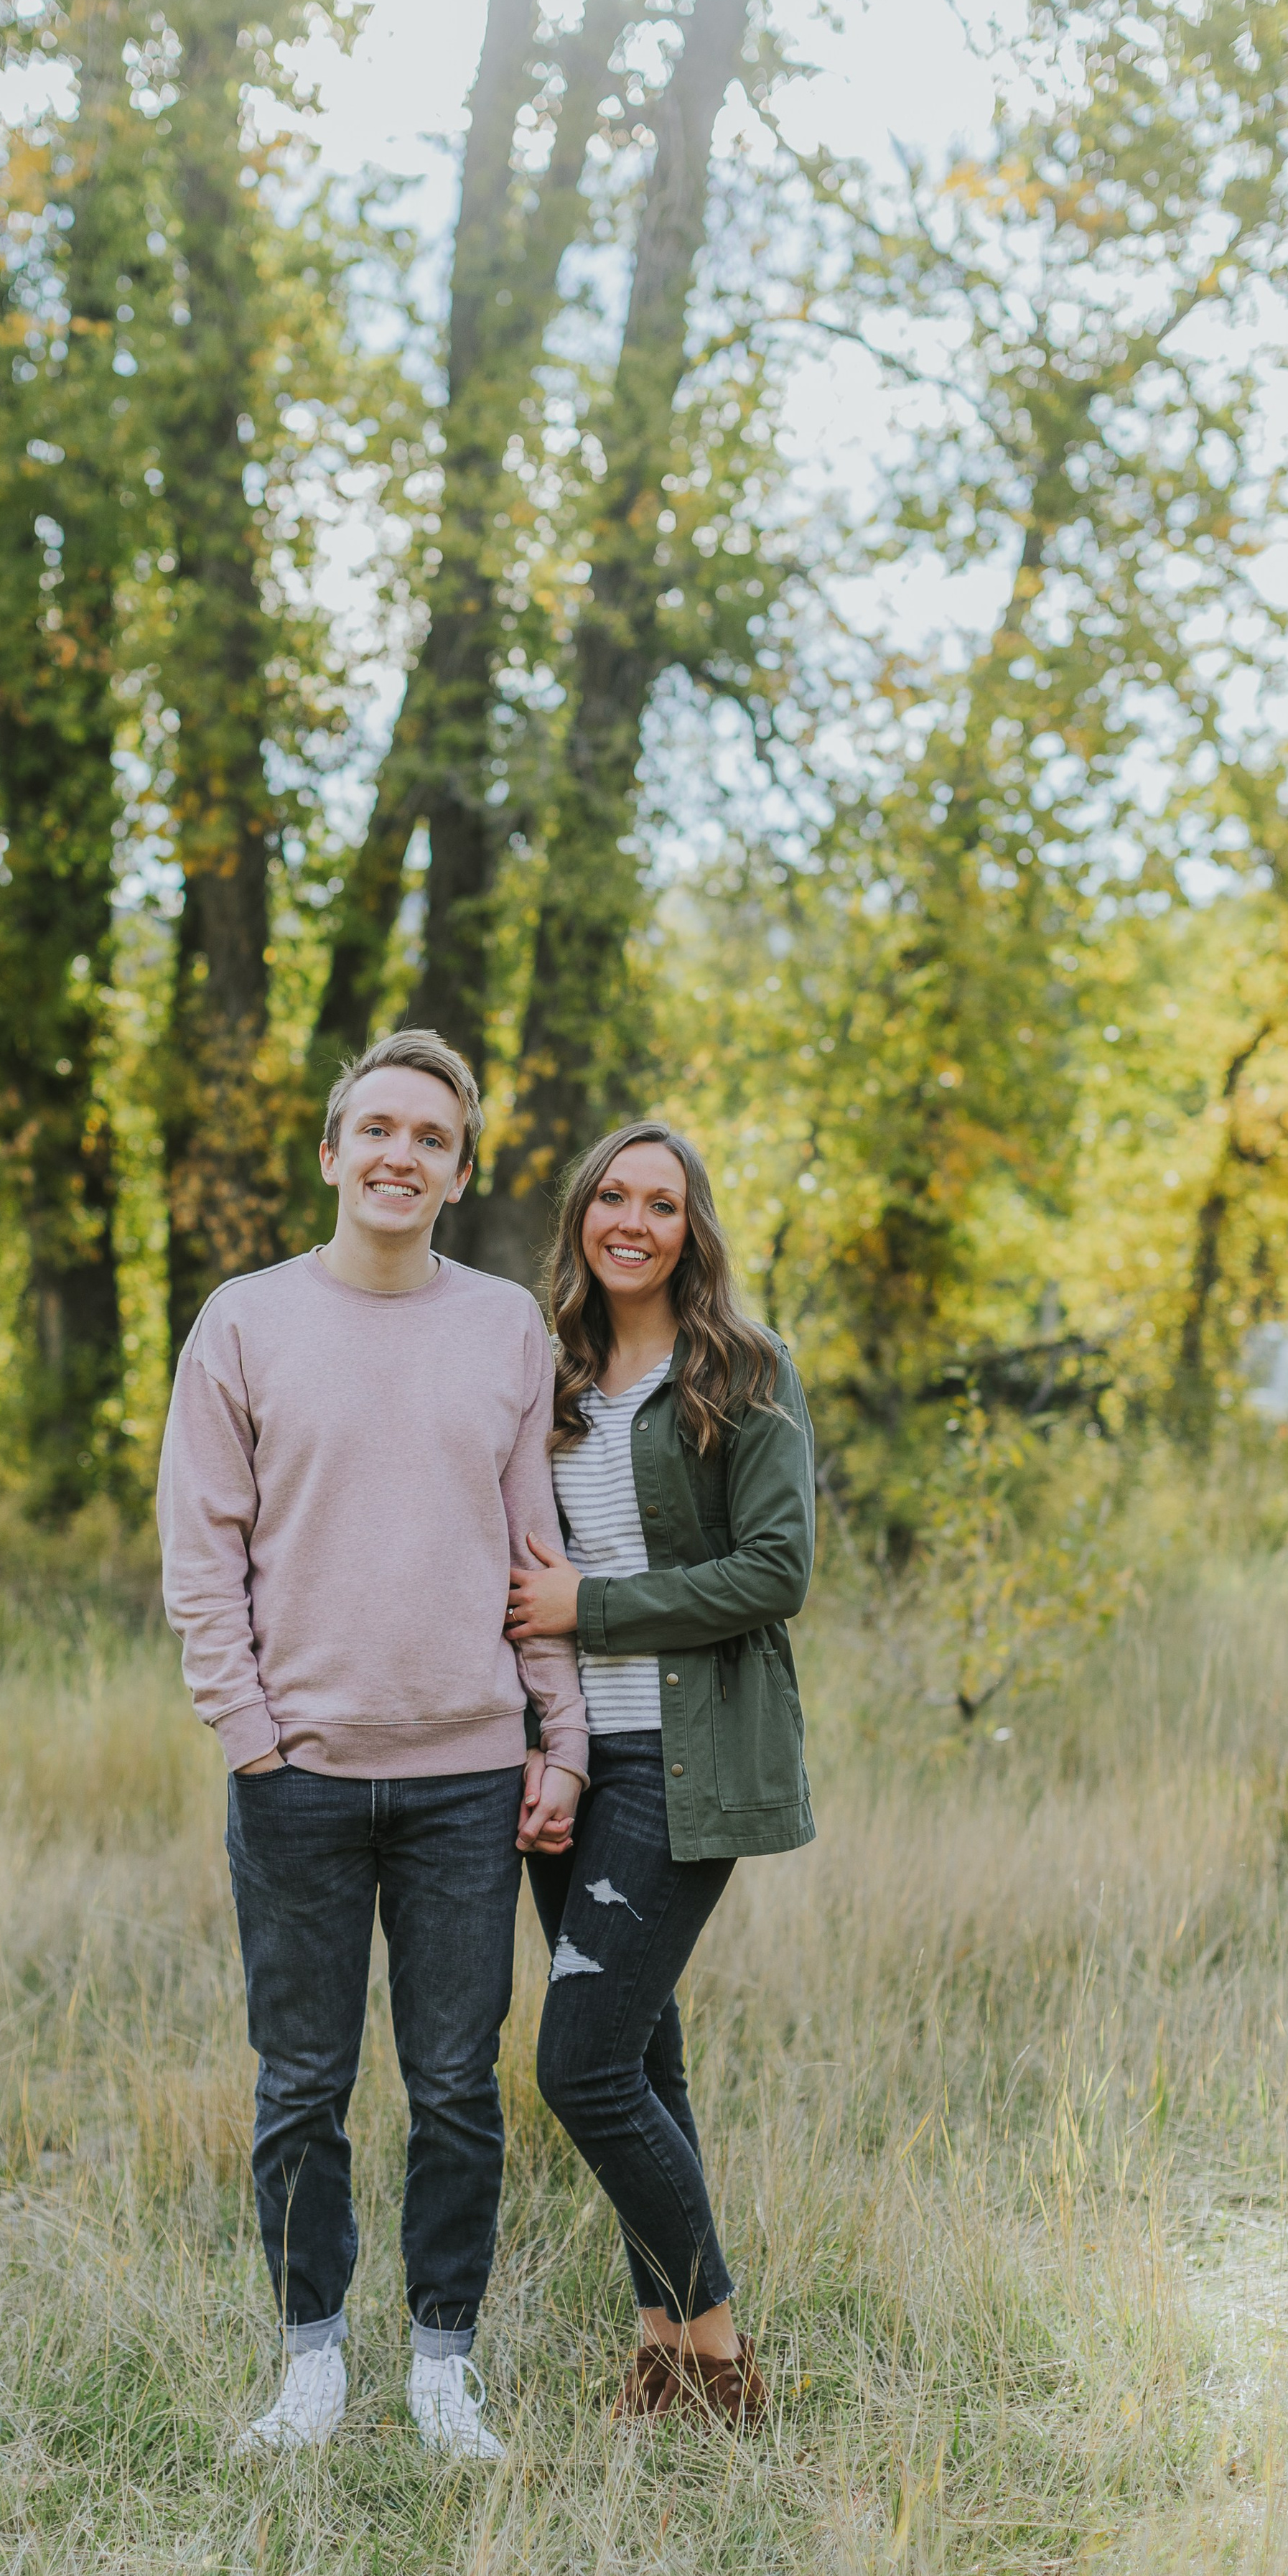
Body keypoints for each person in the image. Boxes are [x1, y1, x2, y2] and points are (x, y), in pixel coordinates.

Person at [156, 1028, 589, 2460]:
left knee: (459, 2089)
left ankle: (441, 2369)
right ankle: (310, 2366)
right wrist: (248, 1730)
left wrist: (557, 1737)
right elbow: (200, 1547)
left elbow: (537, 1558)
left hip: (466, 1776)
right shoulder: (243, 1321)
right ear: (334, 1151)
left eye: (430, 1140)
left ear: (457, 1175)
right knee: (302, 2088)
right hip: (297, 1782)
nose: (400, 1156)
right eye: (378, 1130)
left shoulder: (501, 1331)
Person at [505, 1120, 816, 2425]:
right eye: (613, 1197)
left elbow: (774, 1571)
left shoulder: (743, 1371)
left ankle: (724, 2358)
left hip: (685, 1769)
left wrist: (594, 1606)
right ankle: (664, 2351)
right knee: (642, 2061)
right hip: (571, 1765)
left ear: (693, 1231)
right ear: (582, 1212)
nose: (633, 1222)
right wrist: (546, 1737)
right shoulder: (547, 1370)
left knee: (579, 2068)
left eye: (664, 1204)